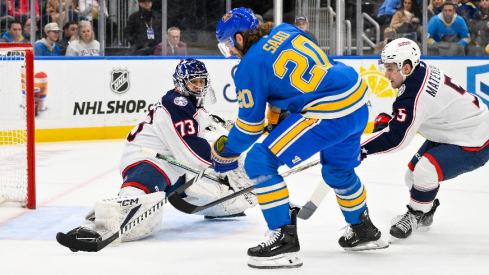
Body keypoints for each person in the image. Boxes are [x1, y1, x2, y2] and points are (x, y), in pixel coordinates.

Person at [213, 7, 388, 269]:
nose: (231, 52)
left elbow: (250, 127)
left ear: (239, 38)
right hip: (357, 102)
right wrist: (282, 113)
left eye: (228, 45)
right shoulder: (285, 29)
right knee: (338, 171)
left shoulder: (248, 65)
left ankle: (283, 240)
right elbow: (304, 76)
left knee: (260, 162)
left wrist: (227, 152)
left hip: (329, 112)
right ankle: (364, 230)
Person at [58, 58, 257, 251]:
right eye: (193, 81)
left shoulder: (193, 106)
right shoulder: (176, 104)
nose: (198, 86)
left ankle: (235, 204)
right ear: (181, 82)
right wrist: (224, 158)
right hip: (149, 160)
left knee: (221, 182)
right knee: (139, 197)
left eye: (201, 81)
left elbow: (208, 130)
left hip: (175, 166)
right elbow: (192, 152)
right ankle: (94, 226)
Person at [361, 38, 489, 241]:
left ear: (406, 66)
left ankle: (415, 215)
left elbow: (397, 138)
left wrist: (360, 149)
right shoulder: (418, 73)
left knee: (426, 171)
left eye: (390, 68)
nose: (386, 75)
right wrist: (391, 121)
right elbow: (415, 114)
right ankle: (426, 212)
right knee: (411, 177)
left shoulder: (413, 93)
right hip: (453, 130)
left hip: (475, 139)